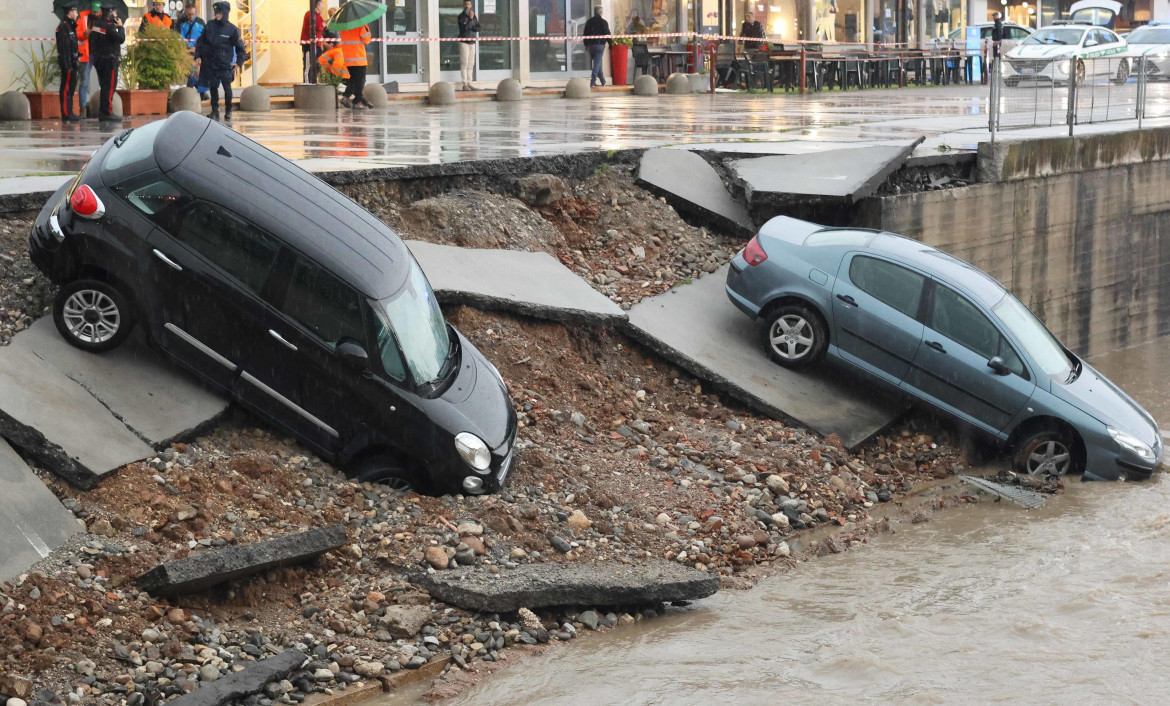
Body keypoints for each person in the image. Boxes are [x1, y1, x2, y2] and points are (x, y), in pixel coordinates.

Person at [196, 1, 246, 121]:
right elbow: (201, 42)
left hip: (224, 64)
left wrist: (239, 63)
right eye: (216, 13)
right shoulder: (210, 26)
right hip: (211, 63)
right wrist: (198, 56)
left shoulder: (232, 29)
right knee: (213, 87)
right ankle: (215, 110)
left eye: (219, 13)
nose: (217, 15)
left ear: (225, 13)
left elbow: (240, 48)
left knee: (227, 88)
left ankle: (228, 111)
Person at [87, 1, 124, 122]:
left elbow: (92, 41)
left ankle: (104, 111)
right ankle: (106, 112)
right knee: (109, 87)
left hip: (99, 59)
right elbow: (121, 39)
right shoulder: (109, 27)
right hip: (109, 60)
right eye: (114, 12)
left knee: (104, 86)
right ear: (109, 13)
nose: (116, 14)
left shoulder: (97, 24)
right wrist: (120, 27)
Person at [55, 2, 82, 122]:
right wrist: (68, 65)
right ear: (70, 12)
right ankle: (66, 113)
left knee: (71, 88)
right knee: (66, 88)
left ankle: (69, 111)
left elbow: (73, 46)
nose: (77, 13)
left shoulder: (71, 26)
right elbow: (64, 47)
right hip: (68, 63)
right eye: (75, 11)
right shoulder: (63, 27)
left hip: (73, 62)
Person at [176, 2, 207, 100]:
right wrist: (189, 47)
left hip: (198, 53)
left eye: (193, 14)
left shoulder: (201, 22)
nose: (191, 16)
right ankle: (200, 92)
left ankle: (193, 93)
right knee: (191, 73)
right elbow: (179, 37)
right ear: (185, 12)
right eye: (189, 14)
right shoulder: (180, 23)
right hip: (186, 52)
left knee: (194, 73)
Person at [339, 23, 373, 108]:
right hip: (358, 58)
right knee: (360, 82)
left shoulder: (343, 26)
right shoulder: (360, 25)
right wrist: (366, 27)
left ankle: (346, 97)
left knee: (353, 81)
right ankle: (356, 102)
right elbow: (367, 40)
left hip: (348, 58)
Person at [583, 6, 612, 88]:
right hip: (600, 45)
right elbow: (607, 33)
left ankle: (603, 80)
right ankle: (593, 81)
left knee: (597, 63)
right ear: (601, 12)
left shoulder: (589, 22)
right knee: (597, 63)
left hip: (591, 46)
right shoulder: (604, 22)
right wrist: (610, 44)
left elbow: (585, 33)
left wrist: (586, 44)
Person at [457, 0, 480, 91]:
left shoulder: (474, 16)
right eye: (466, 4)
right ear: (463, 5)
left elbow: (479, 28)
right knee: (465, 63)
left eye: (469, 4)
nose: (467, 6)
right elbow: (464, 28)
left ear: (471, 5)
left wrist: (471, 23)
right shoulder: (461, 17)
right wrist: (470, 20)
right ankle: (464, 83)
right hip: (464, 42)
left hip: (472, 41)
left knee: (471, 63)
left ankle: (470, 83)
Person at [76, 2, 93, 117]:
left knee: (104, 82)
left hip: (99, 53)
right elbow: (76, 33)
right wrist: (85, 34)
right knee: (84, 82)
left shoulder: (102, 16)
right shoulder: (81, 16)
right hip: (85, 54)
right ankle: (82, 109)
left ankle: (105, 109)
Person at [301, 0, 325, 82]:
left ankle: (314, 82)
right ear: (317, 6)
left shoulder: (318, 16)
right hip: (309, 45)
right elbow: (319, 27)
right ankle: (307, 85)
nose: (323, 8)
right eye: (322, 5)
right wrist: (324, 24)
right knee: (308, 66)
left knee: (317, 65)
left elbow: (321, 26)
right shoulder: (310, 15)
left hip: (317, 45)